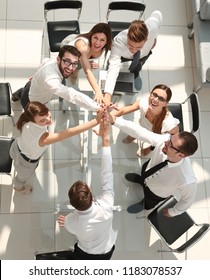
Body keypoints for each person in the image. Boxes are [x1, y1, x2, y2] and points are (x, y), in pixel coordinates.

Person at [109, 113, 198, 216]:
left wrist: (173, 212)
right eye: (170, 139)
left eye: (170, 145)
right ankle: (140, 180)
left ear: (180, 155)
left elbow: (187, 200)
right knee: (143, 176)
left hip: (155, 193)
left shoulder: (187, 179)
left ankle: (143, 205)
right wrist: (115, 120)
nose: (166, 142)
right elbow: (141, 133)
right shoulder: (166, 140)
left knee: (148, 203)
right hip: (148, 169)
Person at [10, 101, 104, 194]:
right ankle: (18, 188)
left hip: (15, 147)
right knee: (21, 178)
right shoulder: (44, 138)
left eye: (47, 113)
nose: (48, 119)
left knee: (19, 166)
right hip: (26, 163)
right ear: (34, 120)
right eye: (42, 120)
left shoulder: (26, 118)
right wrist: (96, 121)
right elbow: (70, 132)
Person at [57, 113, 117, 260]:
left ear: (73, 204)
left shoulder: (72, 222)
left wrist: (68, 221)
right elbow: (106, 174)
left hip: (86, 253)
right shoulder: (107, 207)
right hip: (107, 250)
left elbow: (70, 225)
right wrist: (105, 140)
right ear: (91, 194)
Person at [12, 45, 100, 111]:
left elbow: (45, 61)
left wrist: (37, 75)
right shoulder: (51, 79)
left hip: (37, 86)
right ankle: (19, 94)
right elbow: (73, 95)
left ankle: (22, 90)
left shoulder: (56, 60)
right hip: (30, 101)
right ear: (58, 59)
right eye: (67, 62)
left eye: (74, 63)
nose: (70, 68)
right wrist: (97, 107)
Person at [103, 10, 163, 104]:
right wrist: (107, 95)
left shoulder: (152, 27)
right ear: (127, 36)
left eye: (138, 46)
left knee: (138, 65)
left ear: (146, 39)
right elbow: (114, 67)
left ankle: (135, 72)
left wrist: (155, 38)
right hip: (124, 54)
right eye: (131, 45)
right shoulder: (118, 42)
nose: (134, 50)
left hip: (142, 55)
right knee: (111, 64)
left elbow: (157, 13)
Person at [112, 84, 180, 157]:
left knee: (152, 142)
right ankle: (131, 138)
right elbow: (123, 110)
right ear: (150, 94)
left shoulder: (168, 123)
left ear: (165, 104)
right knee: (132, 135)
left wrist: (151, 148)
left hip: (155, 135)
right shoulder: (144, 103)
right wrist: (108, 115)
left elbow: (171, 138)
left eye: (161, 99)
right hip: (142, 126)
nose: (155, 100)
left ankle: (148, 149)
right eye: (154, 94)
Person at [61, 23, 112, 104]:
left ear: (106, 42)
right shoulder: (82, 46)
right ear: (91, 35)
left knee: (82, 63)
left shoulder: (108, 48)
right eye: (95, 38)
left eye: (102, 40)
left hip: (81, 55)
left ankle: (81, 64)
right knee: (72, 74)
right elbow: (87, 71)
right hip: (69, 45)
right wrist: (98, 91)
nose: (97, 43)